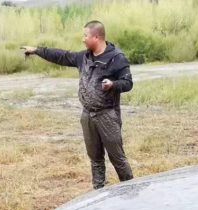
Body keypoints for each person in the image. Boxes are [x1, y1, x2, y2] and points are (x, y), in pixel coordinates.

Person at [23, 21, 135, 189]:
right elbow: (61, 56)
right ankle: (99, 194)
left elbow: (128, 83)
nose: (83, 39)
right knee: (95, 159)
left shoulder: (116, 58)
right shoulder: (84, 57)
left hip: (107, 115)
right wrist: (37, 50)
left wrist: (113, 84)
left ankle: (131, 192)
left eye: (85, 35)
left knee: (117, 158)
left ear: (96, 37)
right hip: (88, 115)